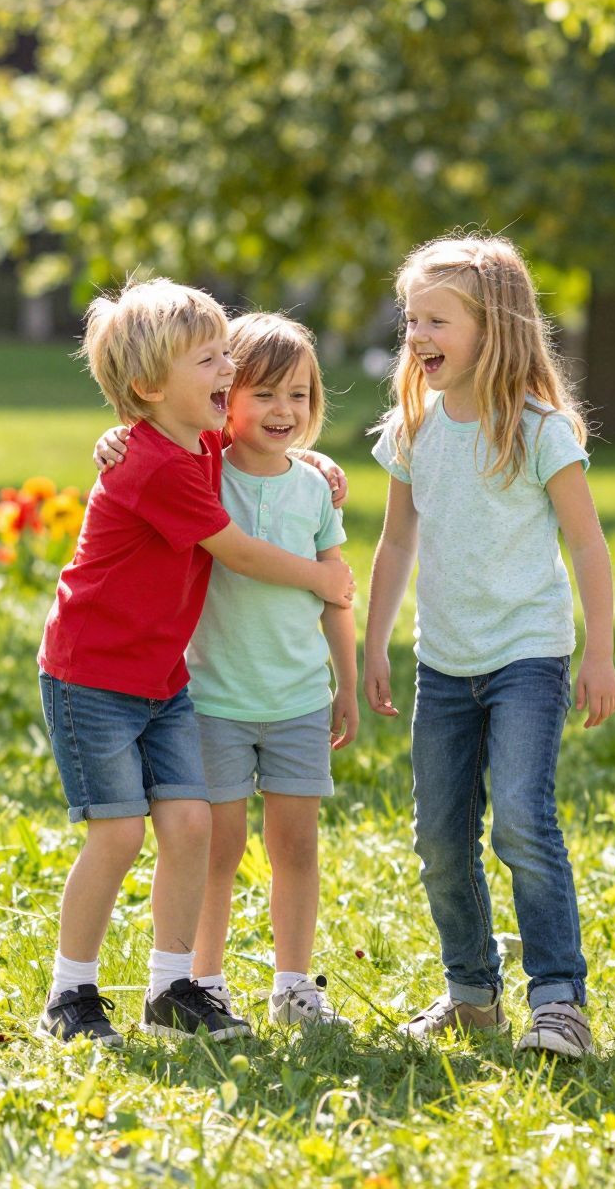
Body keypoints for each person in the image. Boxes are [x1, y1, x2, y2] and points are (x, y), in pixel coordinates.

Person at [36, 277, 354, 1049]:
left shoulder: (198, 443)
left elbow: (257, 447)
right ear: (150, 387)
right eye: (212, 360)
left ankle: (173, 988)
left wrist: (315, 461)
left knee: (188, 828)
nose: (227, 372)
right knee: (115, 835)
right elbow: (237, 550)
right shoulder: (156, 466)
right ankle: (70, 994)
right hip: (93, 678)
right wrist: (319, 575)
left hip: (165, 682)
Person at [361, 234, 615, 1061]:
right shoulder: (414, 429)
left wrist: (599, 650)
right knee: (439, 837)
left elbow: (586, 545)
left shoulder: (538, 429)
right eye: (411, 321)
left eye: (436, 319)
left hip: (526, 660)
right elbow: (396, 544)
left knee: (521, 821)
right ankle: (471, 995)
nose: (418, 336)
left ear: (494, 327)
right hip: (443, 665)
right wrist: (373, 644)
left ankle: (559, 1000)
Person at [179, 313, 358, 1030]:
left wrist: (345, 682)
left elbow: (336, 593)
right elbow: (149, 444)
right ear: (225, 395)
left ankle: (293, 986)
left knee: (296, 848)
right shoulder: (201, 473)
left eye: (300, 396)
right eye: (265, 394)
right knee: (216, 852)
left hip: (297, 700)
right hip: (213, 696)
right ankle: (204, 981)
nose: (285, 411)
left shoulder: (315, 490)